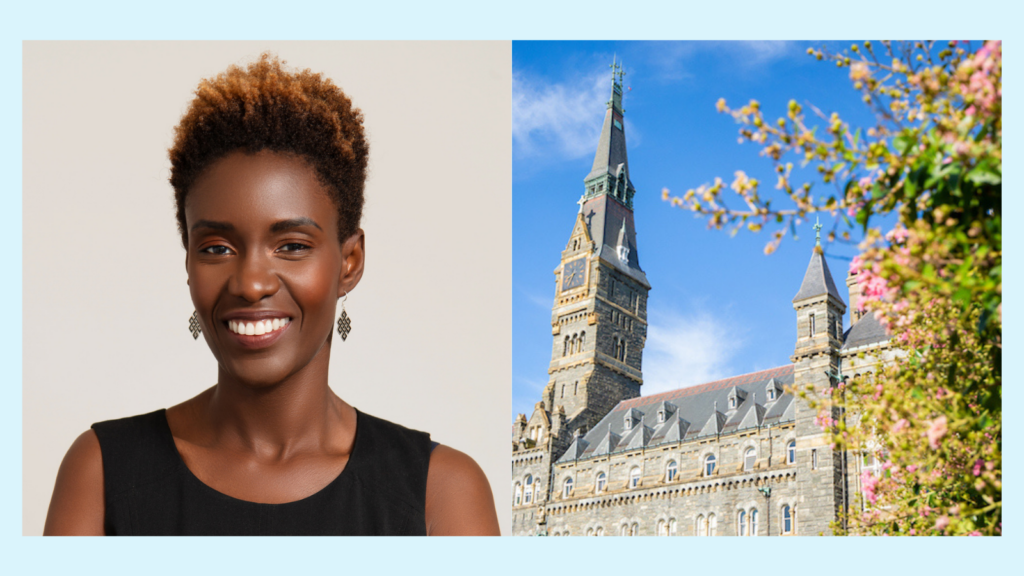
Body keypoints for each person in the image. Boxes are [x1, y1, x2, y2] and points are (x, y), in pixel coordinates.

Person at [42, 54, 500, 536]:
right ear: (188, 262)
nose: (251, 282)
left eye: (292, 247)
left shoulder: (440, 493)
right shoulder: (101, 472)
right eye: (217, 247)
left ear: (350, 263)